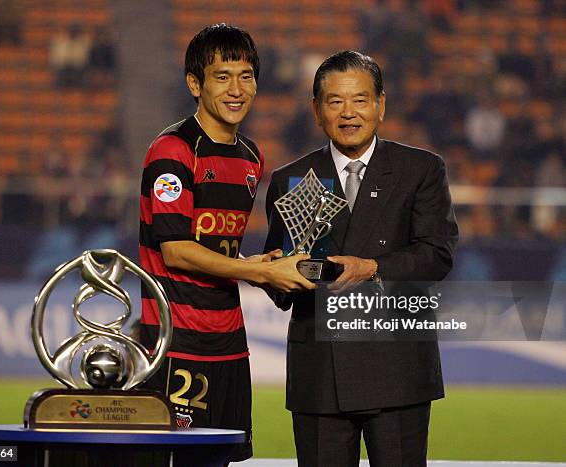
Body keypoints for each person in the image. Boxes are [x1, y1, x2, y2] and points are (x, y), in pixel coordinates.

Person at [264, 51, 458, 466]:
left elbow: (437, 256)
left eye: (360, 100)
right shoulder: (289, 179)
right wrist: (270, 274)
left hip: (397, 371)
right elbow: (283, 287)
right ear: (316, 110)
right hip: (320, 375)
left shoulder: (420, 169)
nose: (348, 113)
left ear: (380, 105)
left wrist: (371, 268)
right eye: (335, 101)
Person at [138, 23, 313, 465]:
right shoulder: (173, 151)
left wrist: (269, 264)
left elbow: (223, 249)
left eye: (247, 75)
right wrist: (258, 271)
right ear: (194, 84)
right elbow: (176, 249)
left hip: (229, 342)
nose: (237, 89)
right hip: (173, 341)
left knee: (219, 459)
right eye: (222, 77)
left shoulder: (251, 156)